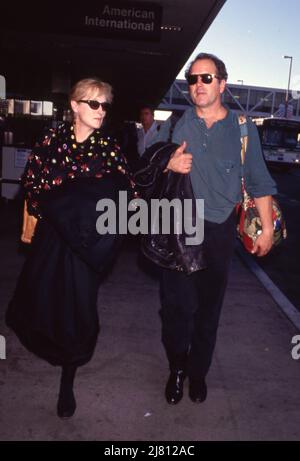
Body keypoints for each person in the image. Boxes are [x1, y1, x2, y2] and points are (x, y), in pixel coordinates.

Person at [6, 78, 135, 418]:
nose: (101, 111)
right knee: (44, 301)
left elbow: (126, 192)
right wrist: (58, 201)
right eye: (94, 104)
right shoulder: (52, 139)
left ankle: (68, 379)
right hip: (51, 238)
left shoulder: (109, 147)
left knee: (79, 310)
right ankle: (51, 348)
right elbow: (32, 182)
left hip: (87, 245)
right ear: (75, 106)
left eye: (105, 105)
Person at [155, 53, 277, 404]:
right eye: (192, 79)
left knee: (208, 310)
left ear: (222, 83)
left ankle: (198, 373)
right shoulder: (177, 123)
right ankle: (177, 368)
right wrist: (168, 162)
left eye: (206, 78)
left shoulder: (242, 128)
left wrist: (266, 228)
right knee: (177, 309)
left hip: (220, 232)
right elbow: (147, 166)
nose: (198, 85)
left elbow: (259, 181)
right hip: (178, 226)